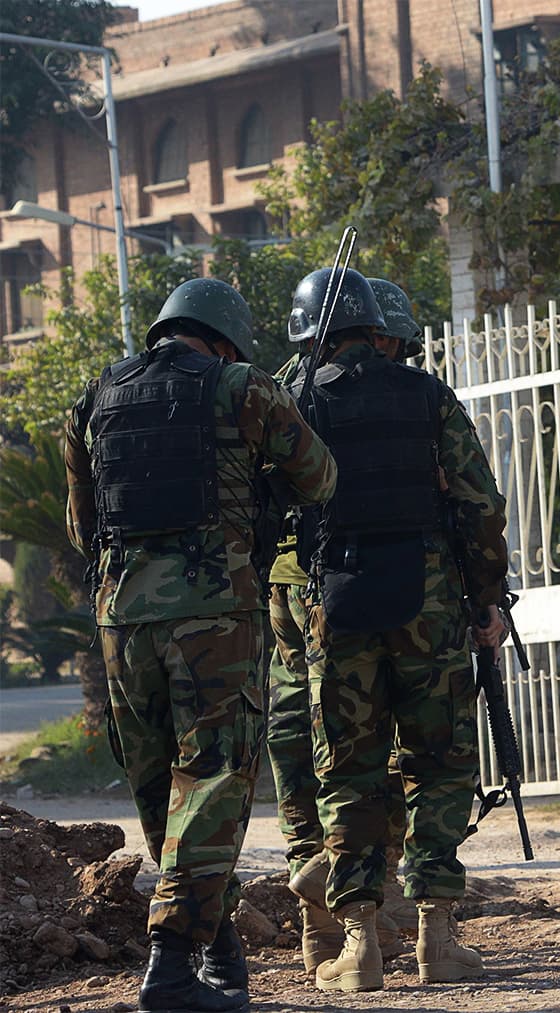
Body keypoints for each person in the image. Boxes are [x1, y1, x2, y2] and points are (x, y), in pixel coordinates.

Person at [64, 278, 338, 1012]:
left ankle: (217, 948)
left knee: (160, 784)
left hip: (122, 618)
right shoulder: (241, 386)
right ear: (223, 339)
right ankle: (171, 961)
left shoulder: (97, 396)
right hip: (213, 614)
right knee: (213, 778)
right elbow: (320, 477)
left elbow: (79, 526)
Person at [287, 267, 511, 992]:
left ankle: (359, 948)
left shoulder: (297, 402)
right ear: (377, 328)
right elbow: (480, 504)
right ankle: (437, 940)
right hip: (430, 599)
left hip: (337, 601)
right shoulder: (427, 395)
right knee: (438, 763)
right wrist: (485, 598)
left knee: (349, 770)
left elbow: (271, 510)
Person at [265, 278, 421, 974]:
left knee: (297, 731)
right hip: (349, 583)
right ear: (377, 332)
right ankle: (351, 886)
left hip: (285, 582)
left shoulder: (280, 389)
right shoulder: (399, 396)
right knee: (364, 745)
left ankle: (321, 922)